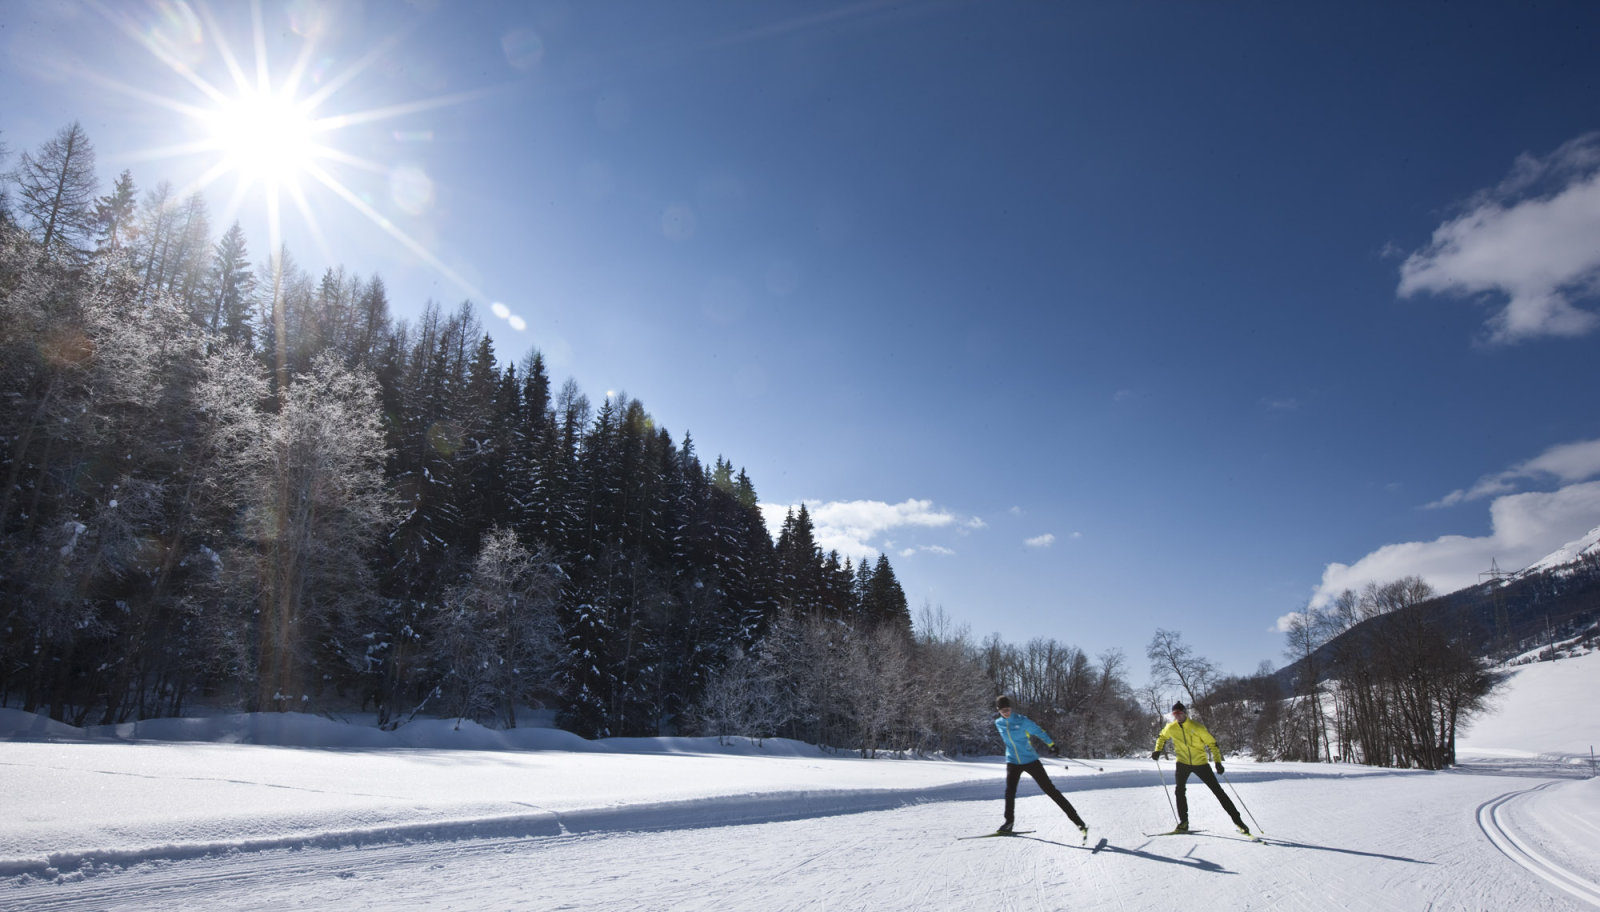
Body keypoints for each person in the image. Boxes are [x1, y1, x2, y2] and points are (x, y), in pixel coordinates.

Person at [993, 695, 1088, 839]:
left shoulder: (1021, 720)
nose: (1006, 712)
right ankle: (1009, 822)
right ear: (998, 710)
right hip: (1012, 761)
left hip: (1030, 760)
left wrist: (1051, 744)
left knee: (1050, 790)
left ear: (1011, 708)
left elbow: (1038, 731)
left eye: (1007, 709)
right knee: (1009, 792)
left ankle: (1078, 822)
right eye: (1002, 710)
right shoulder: (998, 723)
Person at [1151, 702, 1248, 835]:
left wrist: (1218, 762)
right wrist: (1157, 750)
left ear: (1185, 713)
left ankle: (1239, 822)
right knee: (1179, 791)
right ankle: (1183, 823)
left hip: (1200, 763)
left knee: (1218, 791)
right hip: (1182, 763)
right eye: (1174, 714)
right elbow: (1162, 737)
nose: (1177, 716)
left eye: (1179, 713)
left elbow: (1212, 743)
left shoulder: (1197, 727)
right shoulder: (1171, 727)